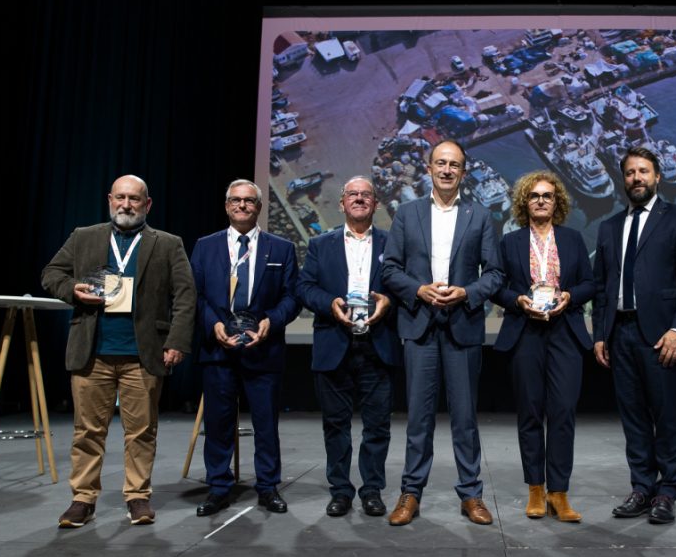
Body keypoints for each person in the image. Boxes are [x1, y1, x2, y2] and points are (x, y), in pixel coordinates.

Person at [41, 174, 195, 527]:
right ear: (110, 199)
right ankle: (82, 498)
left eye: (135, 199)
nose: (127, 205)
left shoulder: (168, 244)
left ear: (147, 204)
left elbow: (185, 296)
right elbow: (51, 273)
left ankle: (138, 496)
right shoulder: (84, 237)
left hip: (144, 353)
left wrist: (176, 341)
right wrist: (72, 291)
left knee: (141, 430)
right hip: (92, 349)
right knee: (87, 430)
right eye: (121, 198)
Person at [381, 139, 505, 526]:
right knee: (418, 418)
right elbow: (389, 271)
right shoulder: (407, 213)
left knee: (465, 419)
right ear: (429, 169)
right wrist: (418, 290)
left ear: (463, 172)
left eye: (454, 164)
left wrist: (467, 292)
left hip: (463, 327)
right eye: (440, 163)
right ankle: (410, 494)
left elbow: (497, 274)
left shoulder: (481, 216)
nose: (447, 170)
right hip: (419, 327)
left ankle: (471, 495)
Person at [592, 146, 676, 525]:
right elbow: (602, 285)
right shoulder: (608, 227)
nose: (636, 178)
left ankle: (667, 492)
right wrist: (600, 334)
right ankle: (642, 487)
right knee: (634, 418)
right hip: (620, 334)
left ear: (657, 177)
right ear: (621, 179)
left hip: (662, 335)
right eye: (629, 173)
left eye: (643, 171)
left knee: (668, 416)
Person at [189, 179, 301, 517]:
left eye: (249, 201)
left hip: (263, 349)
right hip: (219, 350)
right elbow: (195, 296)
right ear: (226, 206)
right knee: (218, 424)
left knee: (266, 425)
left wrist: (271, 321)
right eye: (235, 201)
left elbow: (292, 297)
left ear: (259, 207)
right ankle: (219, 487)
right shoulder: (204, 246)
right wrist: (214, 325)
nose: (242, 206)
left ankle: (267, 487)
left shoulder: (280, 248)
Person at [297, 176, 402, 518]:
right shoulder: (319, 244)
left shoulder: (394, 244)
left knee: (377, 427)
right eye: (352, 194)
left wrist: (389, 302)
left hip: (378, 345)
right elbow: (305, 288)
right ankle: (340, 490)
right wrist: (331, 304)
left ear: (376, 203)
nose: (359, 199)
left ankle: (372, 490)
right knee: (336, 425)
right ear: (342, 203)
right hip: (334, 344)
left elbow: (404, 289)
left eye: (366, 195)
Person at [493, 171, 594, 522]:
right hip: (525, 333)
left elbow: (589, 283)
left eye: (547, 196)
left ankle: (559, 493)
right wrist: (517, 300)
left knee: (563, 412)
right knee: (530, 413)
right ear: (524, 202)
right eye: (534, 196)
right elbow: (497, 287)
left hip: (565, 332)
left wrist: (570, 295)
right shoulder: (510, 242)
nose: (540, 200)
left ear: (557, 202)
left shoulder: (572, 239)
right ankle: (536, 489)